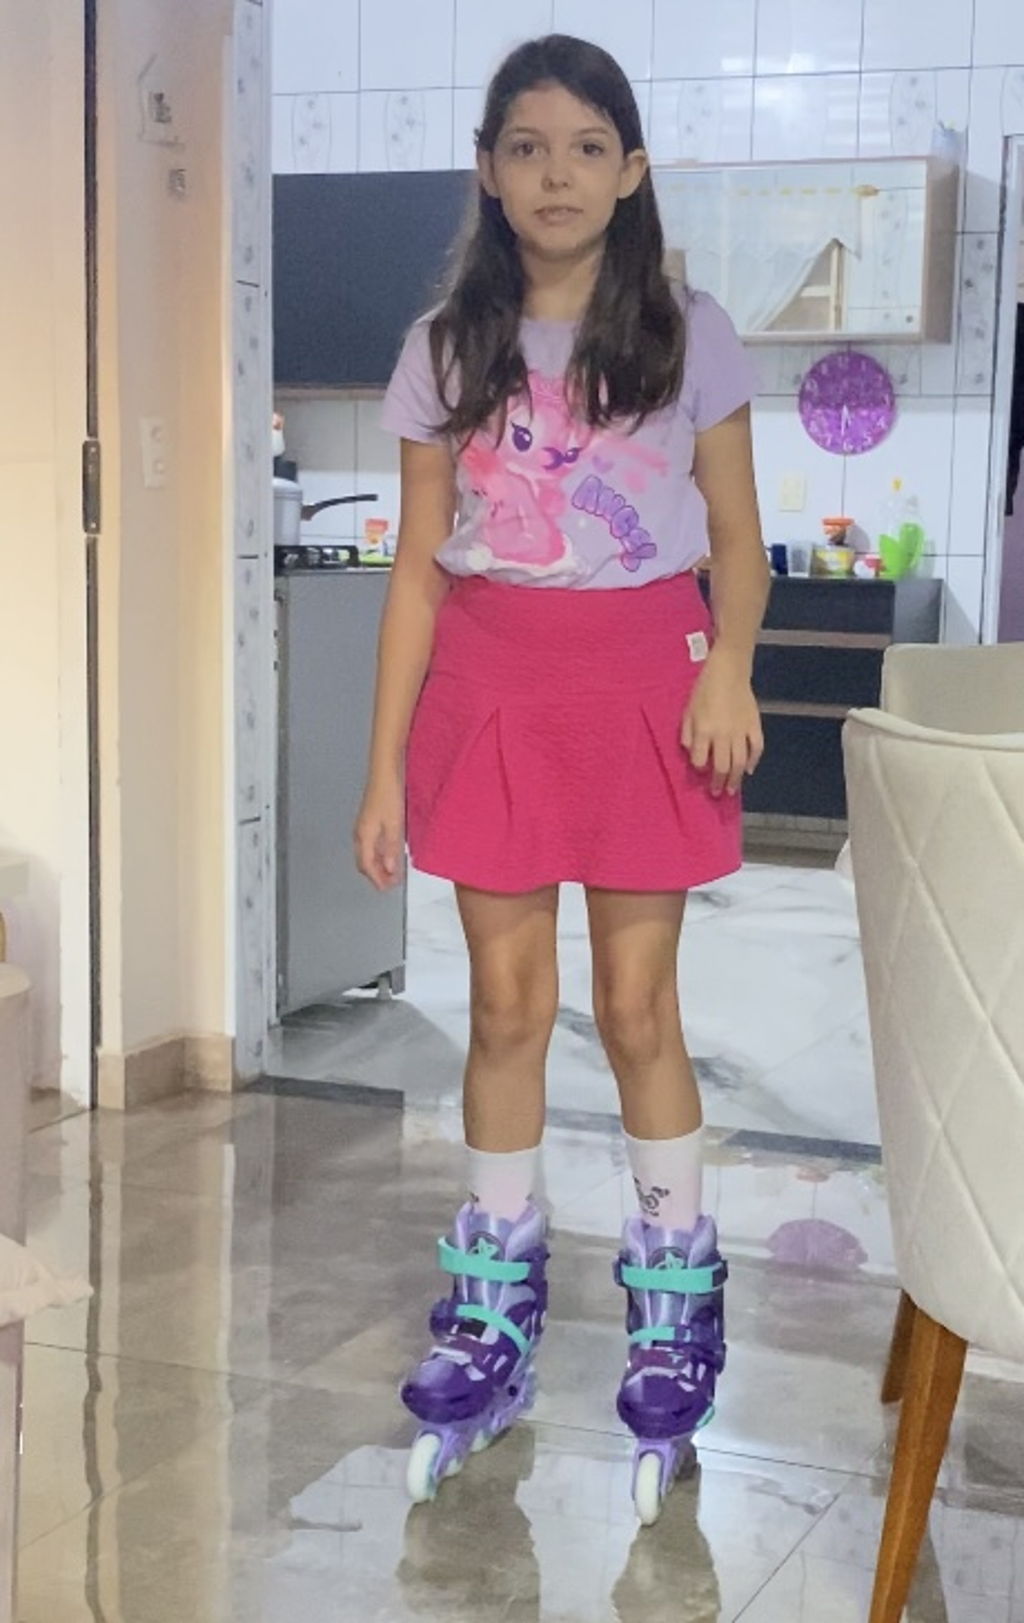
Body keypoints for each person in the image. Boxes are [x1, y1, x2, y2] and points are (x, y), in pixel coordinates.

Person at [354, 33, 767, 1519]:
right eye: (526, 147)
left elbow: (740, 539)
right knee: (507, 1008)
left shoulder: (688, 332)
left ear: (632, 170)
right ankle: (495, 1303)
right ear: (488, 170)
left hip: (649, 683)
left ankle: (672, 1307)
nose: (557, 174)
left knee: (639, 1007)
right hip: (494, 691)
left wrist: (728, 664)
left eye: (588, 147)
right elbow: (417, 571)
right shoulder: (443, 348)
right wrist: (383, 768)